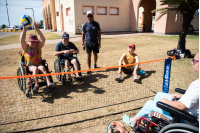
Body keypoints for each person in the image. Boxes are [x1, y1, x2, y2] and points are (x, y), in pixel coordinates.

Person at [122, 52, 199, 127]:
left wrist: (166, 101)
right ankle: (153, 118)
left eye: (194, 61)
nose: (192, 63)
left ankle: (134, 121)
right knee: (159, 95)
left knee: (149, 103)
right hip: (188, 109)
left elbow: (181, 106)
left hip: (185, 117)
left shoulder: (197, 85)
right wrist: (182, 95)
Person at [20, 22, 56, 94]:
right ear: (29, 41)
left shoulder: (38, 47)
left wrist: (37, 29)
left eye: (35, 42)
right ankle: (36, 85)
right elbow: (22, 40)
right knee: (35, 68)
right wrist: (24, 30)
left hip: (39, 64)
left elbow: (43, 40)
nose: (33, 43)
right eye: (32, 41)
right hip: (30, 66)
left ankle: (49, 83)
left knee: (42, 68)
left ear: (37, 42)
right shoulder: (26, 47)